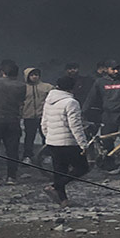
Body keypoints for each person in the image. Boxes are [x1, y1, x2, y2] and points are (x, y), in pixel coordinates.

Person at [40, 76, 90, 207]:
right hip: (68, 142)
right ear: (71, 87)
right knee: (82, 167)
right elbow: (75, 126)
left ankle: (63, 200)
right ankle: (55, 186)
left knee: (59, 171)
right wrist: (83, 144)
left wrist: (48, 137)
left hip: (52, 141)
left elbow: (44, 122)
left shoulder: (49, 100)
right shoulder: (71, 102)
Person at [86, 60, 120, 135]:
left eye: (117, 69)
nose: (116, 71)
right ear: (106, 69)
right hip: (108, 115)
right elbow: (91, 98)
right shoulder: (100, 82)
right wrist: (83, 111)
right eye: (113, 69)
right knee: (107, 139)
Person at [20, 67, 52, 162]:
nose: (34, 77)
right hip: (28, 116)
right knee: (29, 137)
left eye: (36, 75)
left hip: (44, 116)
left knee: (46, 137)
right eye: (32, 75)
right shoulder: (23, 88)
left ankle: (47, 155)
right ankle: (27, 156)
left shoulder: (47, 87)